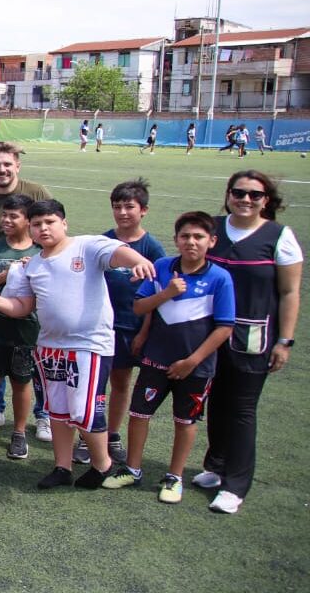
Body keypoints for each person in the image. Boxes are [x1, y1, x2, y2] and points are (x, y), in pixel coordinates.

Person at [0, 199, 156, 490]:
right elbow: (24, 306)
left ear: (64, 223)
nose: (43, 228)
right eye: (37, 224)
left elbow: (117, 252)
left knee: (83, 409)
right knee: (58, 410)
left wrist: (138, 262)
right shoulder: (33, 265)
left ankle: (104, 466)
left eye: (49, 222)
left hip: (88, 345)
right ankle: (62, 467)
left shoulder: (86, 246)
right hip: (49, 346)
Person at [102, 212, 234, 503]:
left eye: (198, 237)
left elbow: (225, 327)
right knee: (139, 414)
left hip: (195, 368)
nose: (191, 242)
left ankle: (174, 477)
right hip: (155, 360)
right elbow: (139, 307)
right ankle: (133, 469)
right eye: (185, 236)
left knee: (185, 421)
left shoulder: (219, 278)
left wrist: (192, 361)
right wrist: (167, 293)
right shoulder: (163, 268)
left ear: (211, 241)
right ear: (176, 239)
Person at [194, 171, 301, 513]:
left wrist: (285, 340)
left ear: (266, 201)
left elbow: (289, 292)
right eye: (239, 192)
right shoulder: (211, 228)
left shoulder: (279, 236)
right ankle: (216, 465)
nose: (245, 199)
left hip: (250, 335)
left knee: (241, 408)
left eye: (255, 195)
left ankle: (235, 485)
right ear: (228, 195)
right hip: (208, 332)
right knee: (214, 400)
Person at [0, 194, 48, 457]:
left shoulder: (40, 251)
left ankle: (19, 432)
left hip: (26, 328)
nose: (6, 220)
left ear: (28, 221)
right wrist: (3, 276)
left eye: (13, 216)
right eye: (4, 215)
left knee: (21, 380)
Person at [102, 179, 166, 465]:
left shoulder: (151, 248)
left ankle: (112, 435)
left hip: (132, 328)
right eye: (117, 207)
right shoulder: (104, 241)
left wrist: (144, 330)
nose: (123, 212)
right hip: (102, 326)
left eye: (129, 207)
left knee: (121, 382)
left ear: (144, 210)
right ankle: (89, 433)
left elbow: (158, 293)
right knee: (96, 382)